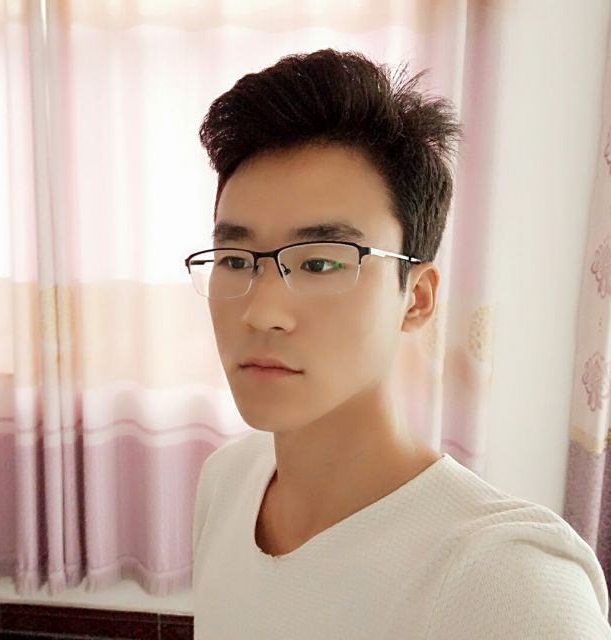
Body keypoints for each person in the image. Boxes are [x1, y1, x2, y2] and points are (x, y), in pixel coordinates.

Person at [187, 48, 611, 638]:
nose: (262, 312)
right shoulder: (227, 482)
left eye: (320, 263)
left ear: (417, 298)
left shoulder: (513, 586)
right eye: (236, 259)